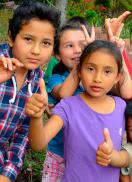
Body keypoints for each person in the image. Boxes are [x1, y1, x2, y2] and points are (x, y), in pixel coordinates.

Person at [26, 40, 126, 182]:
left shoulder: (121, 107)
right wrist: (36, 117)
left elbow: (129, 155)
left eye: (107, 71)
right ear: (79, 71)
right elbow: (38, 144)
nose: (97, 78)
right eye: (90, 69)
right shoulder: (68, 107)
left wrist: (114, 157)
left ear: (118, 77)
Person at [0, 1, 60, 181]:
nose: (36, 51)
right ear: (11, 38)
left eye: (46, 43)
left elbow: (21, 140)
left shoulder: (37, 82)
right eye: (28, 39)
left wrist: (7, 175)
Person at [42, 17, 94, 182]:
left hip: (89, 155)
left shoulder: (96, 79)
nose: (78, 50)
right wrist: (82, 62)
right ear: (57, 55)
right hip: (59, 155)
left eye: (82, 45)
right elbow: (64, 94)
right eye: (69, 46)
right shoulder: (57, 79)